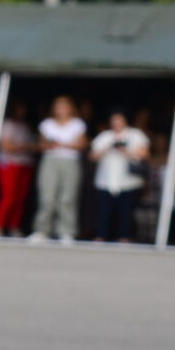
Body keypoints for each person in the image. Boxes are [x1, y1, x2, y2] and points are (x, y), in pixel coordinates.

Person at [32, 96, 87, 243]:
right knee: (47, 196)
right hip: (50, 161)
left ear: (71, 108)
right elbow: (41, 144)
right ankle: (42, 230)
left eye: (64, 106)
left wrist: (62, 144)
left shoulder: (77, 124)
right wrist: (54, 144)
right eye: (58, 106)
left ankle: (67, 231)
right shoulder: (47, 124)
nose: (61, 109)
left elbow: (82, 144)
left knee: (68, 197)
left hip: (70, 161)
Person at [89, 110, 150, 243]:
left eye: (120, 120)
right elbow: (92, 156)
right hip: (106, 180)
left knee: (126, 211)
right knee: (104, 211)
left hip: (128, 181)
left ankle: (125, 236)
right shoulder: (105, 136)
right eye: (114, 120)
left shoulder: (135, 134)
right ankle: (101, 235)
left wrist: (125, 150)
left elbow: (145, 154)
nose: (117, 123)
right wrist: (109, 146)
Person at [0, 109, 37, 236]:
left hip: (25, 164)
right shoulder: (8, 125)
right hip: (10, 163)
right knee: (9, 196)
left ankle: (14, 225)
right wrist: (26, 147)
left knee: (20, 197)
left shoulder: (26, 126)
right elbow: (7, 147)